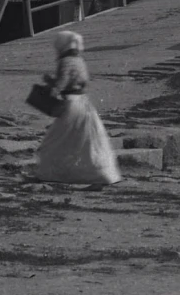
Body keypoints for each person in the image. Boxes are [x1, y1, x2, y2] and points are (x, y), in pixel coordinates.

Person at [34, 30, 121, 185]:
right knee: (86, 141)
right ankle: (97, 172)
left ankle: (54, 174)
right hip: (84, 103)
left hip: (71, 104)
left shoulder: (65, 61)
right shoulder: (79, 60)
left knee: (55, 141)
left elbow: (62, 83)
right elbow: (83, 81)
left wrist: (50, 88)